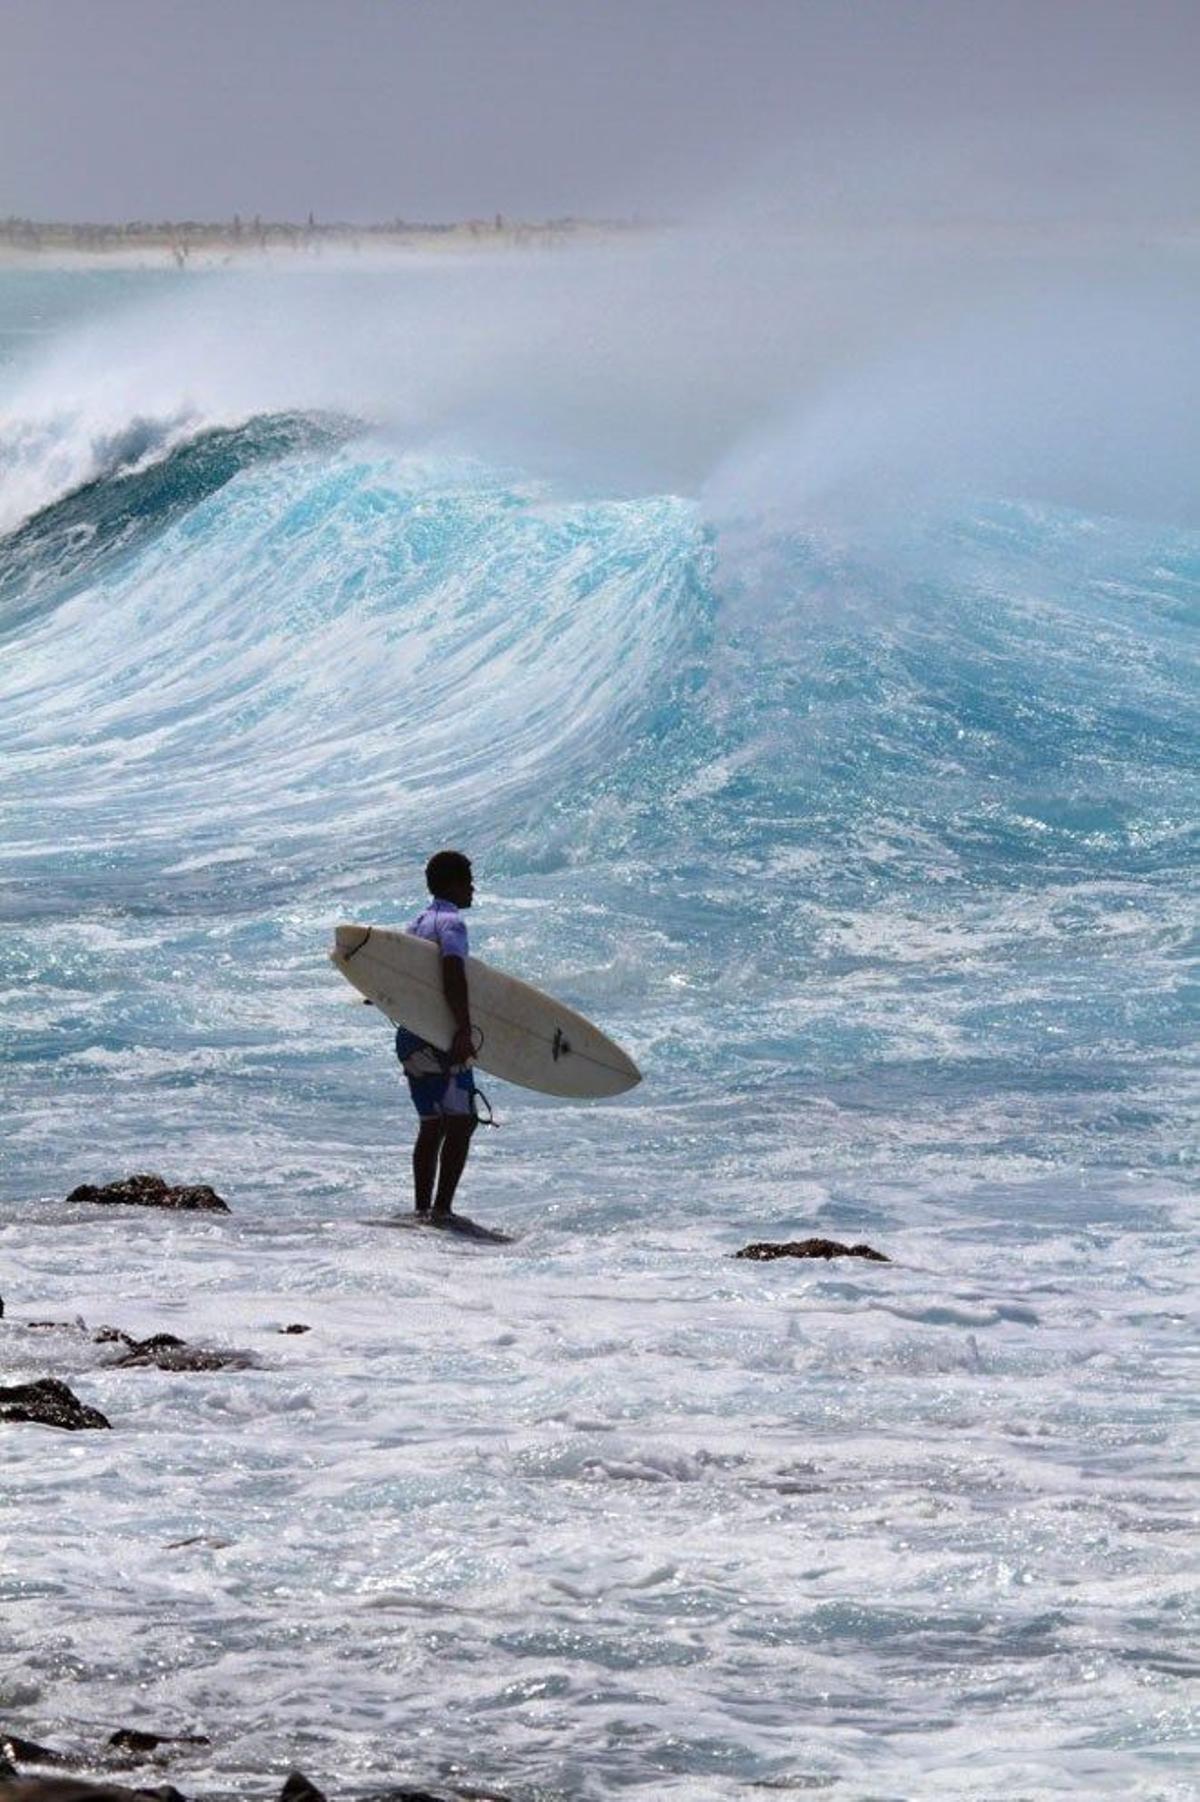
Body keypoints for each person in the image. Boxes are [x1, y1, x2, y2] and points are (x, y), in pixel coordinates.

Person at [394, 849, 480, 1222]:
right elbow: (452, 974)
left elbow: (400, 976)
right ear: (454, 884)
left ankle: (422, 1209)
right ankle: (442, 1210)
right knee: (462, 1123)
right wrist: (462, 1029)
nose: (474, 889)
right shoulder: (452, 924)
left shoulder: (416, 923)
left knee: (432, 1125)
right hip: (441, 1039)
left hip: (411, 1037)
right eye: (469, 881)